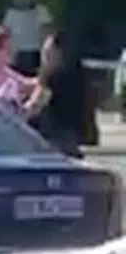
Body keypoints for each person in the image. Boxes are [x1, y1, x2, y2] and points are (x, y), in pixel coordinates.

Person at [29, 28, 95, 158]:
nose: (44, 55)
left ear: (56, 51)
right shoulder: (78, 73)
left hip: (54, 134)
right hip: (74, 132)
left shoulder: (51, 76)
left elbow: (37, 103)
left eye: (47, 52)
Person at [3, 0, 50, 79]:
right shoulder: (10, 13)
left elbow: (45, 34)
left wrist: (45, 58)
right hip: (17, 54)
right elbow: (6, 35)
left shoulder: (40, 11)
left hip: (35, 53)